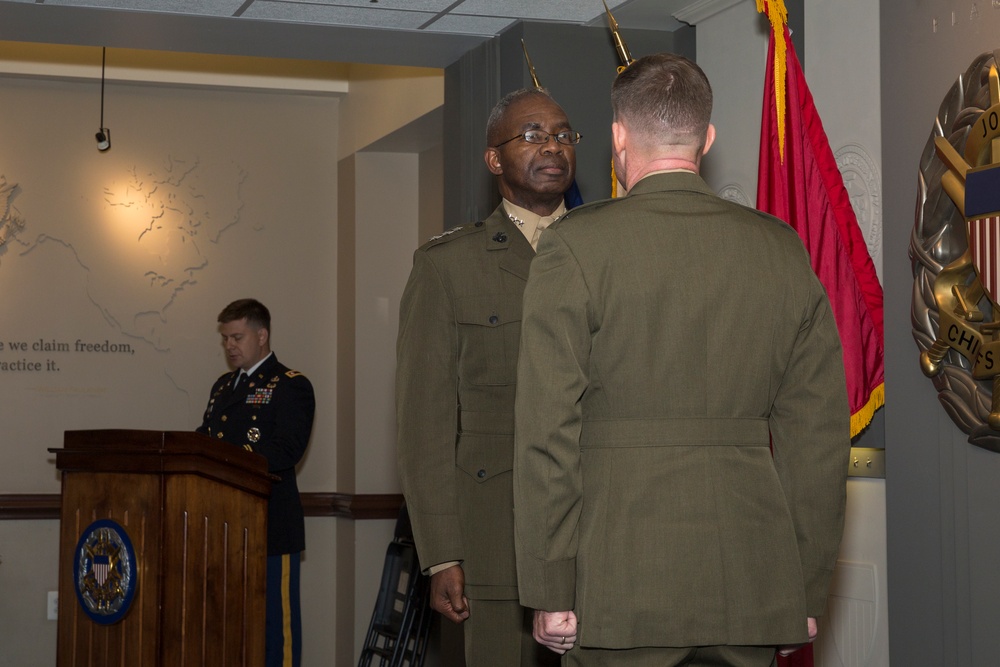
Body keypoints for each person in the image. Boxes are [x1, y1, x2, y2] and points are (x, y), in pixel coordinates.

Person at [512, 53, 850, 667]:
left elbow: (546, 434)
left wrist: (551, 585)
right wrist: (801, 587)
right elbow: (818, 438)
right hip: (749, 580)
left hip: (616, 584)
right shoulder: (780, 250)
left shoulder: (575, 247)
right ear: (708, 137)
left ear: (618, 136)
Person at [395, 88, 579, 666]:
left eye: (562, 133)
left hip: (601, 534)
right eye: (531, 135)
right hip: (494, 539)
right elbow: (424, 421)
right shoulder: (448, 266)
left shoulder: (610, 249)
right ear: (494, 159)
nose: (551, 145)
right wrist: (442, 553)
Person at [196, 298, 315, 667]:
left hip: (269, 526)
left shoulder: (290, 385)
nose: (230, 345)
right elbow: (205, 439)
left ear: (261, 336)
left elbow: (286, 449)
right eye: (225, 339)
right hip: (224, 525)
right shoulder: (222, 387)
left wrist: (227, 459)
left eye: (237, 337)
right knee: (231, 625)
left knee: (275, 631)